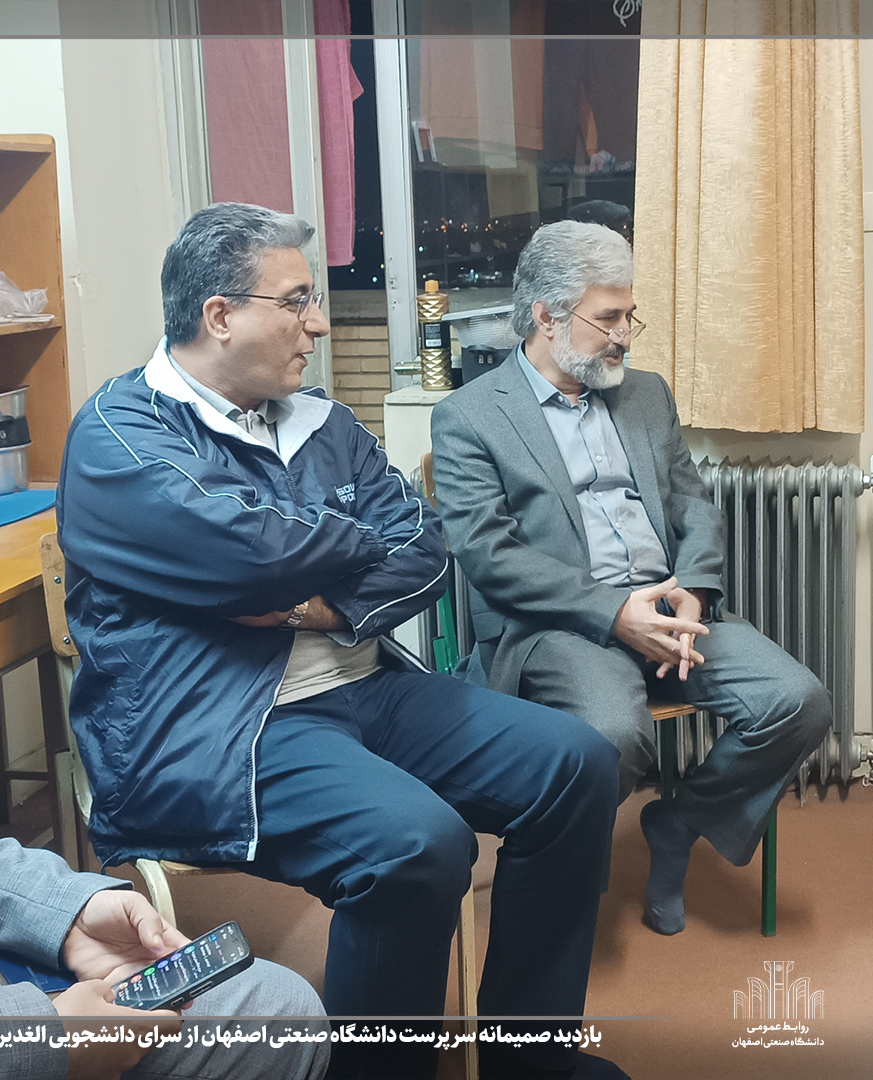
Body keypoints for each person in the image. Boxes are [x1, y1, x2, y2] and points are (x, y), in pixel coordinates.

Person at [57, 204, 625, 1080]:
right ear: (220, 315)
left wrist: (315, 606)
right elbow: (252, 554)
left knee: (577, 764)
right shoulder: (119, 435)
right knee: (416, 846)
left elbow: (425, 546)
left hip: (362, 685)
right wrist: (346, 542)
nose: (318, 323)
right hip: (221, 726)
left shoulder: (319, 420)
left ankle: (531, 1063)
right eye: (296, 301)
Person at [0, 256, 328, 1080]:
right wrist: (41, 1036)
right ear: (219, 317)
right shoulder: (122, 432)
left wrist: (66, 911)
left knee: (276, 1005)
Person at [430, 220, 832, 936]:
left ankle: (679, 824)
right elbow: (489, 554)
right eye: (609, 318)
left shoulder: (646, 394)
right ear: (547, 316)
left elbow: (693, 505)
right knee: (612, 734)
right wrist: (615, 613)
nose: (625, 336)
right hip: (562, 626)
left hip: (673, 610)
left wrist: (694, 590)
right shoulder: (470, 416)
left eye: (629, 316)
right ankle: (558, 865)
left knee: (798, 701)